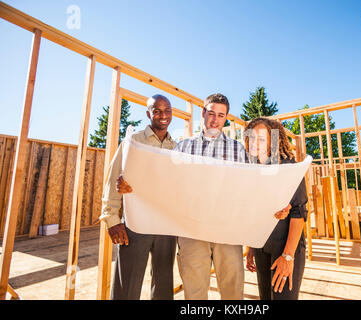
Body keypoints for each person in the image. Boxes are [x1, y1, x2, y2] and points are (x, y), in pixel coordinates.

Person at [99, 94, 178, 300]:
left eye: (167, 110)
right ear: (148, 113)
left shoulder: (176, 148)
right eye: (157, 110)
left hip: (166, 226)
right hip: (135, 224)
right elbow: (113, 180)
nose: (163, 115)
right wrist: (112, 220)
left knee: (163, 283)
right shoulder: (132, 141)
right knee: (127, 285)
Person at [172, 93, 250, 300]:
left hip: (228, 231)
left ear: (226, 118)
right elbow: (173, 187)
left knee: (232, 290)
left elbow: (246, 190)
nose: (215, 120)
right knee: (194, 292)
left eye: (221, 115)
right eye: (211, 113)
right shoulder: (183, 148)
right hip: (192, 230)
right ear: (203, 112)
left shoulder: (238, 150)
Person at [244, 117, 308, 300]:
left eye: (262, 139)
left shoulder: (289, 168)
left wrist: (288, 257)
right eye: (252, 138)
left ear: (273, 140)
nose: (255, 143)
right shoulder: (252, 170)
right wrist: (252, 247)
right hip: (263, 249)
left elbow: (299, 212)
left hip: (286, 247)